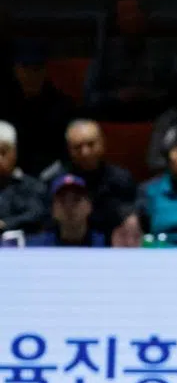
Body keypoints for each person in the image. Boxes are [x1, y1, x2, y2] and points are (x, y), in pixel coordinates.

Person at [84, 0, 175, 123]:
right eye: (125, 14)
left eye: (135, 12)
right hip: (113, 118)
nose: (131, 18)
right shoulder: (105, 53)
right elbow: (90, 96)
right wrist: (117, 96)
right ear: (117, 20)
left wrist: (147, 94)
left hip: (154, 118)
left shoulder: (161, 51)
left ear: (144, 16)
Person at [40, 119, 137, 240]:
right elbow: (45, 220)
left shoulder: (120, 179)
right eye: (77, 147)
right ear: (69, 149)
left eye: (91, 144)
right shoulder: (54, 179)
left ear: (102, 143)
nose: (85, 152)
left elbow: (129, 216)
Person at [5, 40, 74, 177]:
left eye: (36, 68)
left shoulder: (63, 105)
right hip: (10, 176)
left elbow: (67, 152)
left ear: (45, 70)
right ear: (16, 70)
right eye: (25, 68)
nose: (31, 74)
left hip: (52, 176)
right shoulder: (4, 104)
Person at [25, 174, 106, 247]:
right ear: (53, 210)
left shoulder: (106, 245)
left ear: (89, 206)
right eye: (62, 201)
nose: (69, 206)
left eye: (76, 199)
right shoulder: (36, 248)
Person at [0, 120, 47, 236]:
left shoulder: (32, 186)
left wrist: (5, 224)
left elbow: (36, 214)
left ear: (14, 152)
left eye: (3, 152)